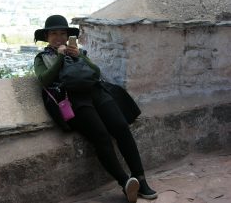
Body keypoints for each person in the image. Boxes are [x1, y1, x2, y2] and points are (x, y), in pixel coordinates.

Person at [33, 15, 157, 203]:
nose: (59, 37)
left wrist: (79, 56)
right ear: (47, 37)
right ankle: (125, 183)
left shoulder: (79, 52)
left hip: (96, 92)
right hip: (73, 99)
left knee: (121, 128)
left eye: (62, 33)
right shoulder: (42, 58)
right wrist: (60, 57)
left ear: (68, 36)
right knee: (101, 137)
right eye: (54, 33)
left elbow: (96, 72)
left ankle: (140, 179)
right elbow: (45, 79)